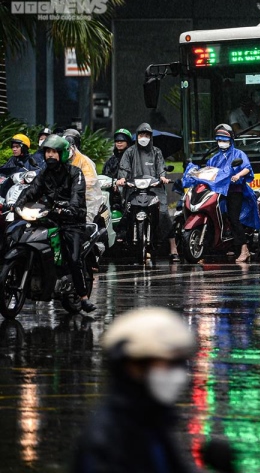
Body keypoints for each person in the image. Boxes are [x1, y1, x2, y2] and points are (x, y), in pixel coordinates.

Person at [71, 306, 197, 473]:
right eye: (168, 364)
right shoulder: (108, 439)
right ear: (134, 366)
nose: (177, 374)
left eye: (179, 364)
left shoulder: (152, 422)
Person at [14, 135, 96, 313]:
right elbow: (32, 190)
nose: (50, 155)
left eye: (54, 152)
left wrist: (70, 209)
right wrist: (18, 204)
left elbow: (77, 195)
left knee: (74, 259)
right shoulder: (44, 173)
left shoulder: (75, 173)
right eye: (47, 152)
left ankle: (83, 297)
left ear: (62, 154)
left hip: (72, 221)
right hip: (49, 216)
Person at [116, 123, 180, 261]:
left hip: (154, 189)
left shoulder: (157, 152)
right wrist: (122, 179)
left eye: (146, 135)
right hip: (134, 188)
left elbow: (161, 168)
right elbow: (124, 169)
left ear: (150, 137)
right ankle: (121, 238)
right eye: (141, 135)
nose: (143, 137)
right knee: (127, 212)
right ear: (137, 136)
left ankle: (173, 248)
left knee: (163, 213)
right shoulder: (130, 152)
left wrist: (162, 177)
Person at [205, 125, 260, 262]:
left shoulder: (238, 154)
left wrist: (237, 176)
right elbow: (208, 170)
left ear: (231, 140)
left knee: (234, 218)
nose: (221, 143)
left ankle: (244, 249)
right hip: (217, 192)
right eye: (219, 140)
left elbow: (247, 168)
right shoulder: (215, 158)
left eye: (224, 140)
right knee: (215, 217)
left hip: (235, 191)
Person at [63, 129, 104, 224]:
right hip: (67, 200)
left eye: (68, 148)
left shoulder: (84, 161)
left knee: (84, 226)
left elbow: (90, 182)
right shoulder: (61, 162)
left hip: (87, 201)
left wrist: (73, 189)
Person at [102, 129, 133, 209]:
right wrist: (114, 183)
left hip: (130, 192)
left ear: (128, 142)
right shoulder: (111, 160)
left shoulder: (134, 159)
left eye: (122, 141)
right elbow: (105, 175)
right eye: (117, 141)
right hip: (113, 193)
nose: (119, 143)